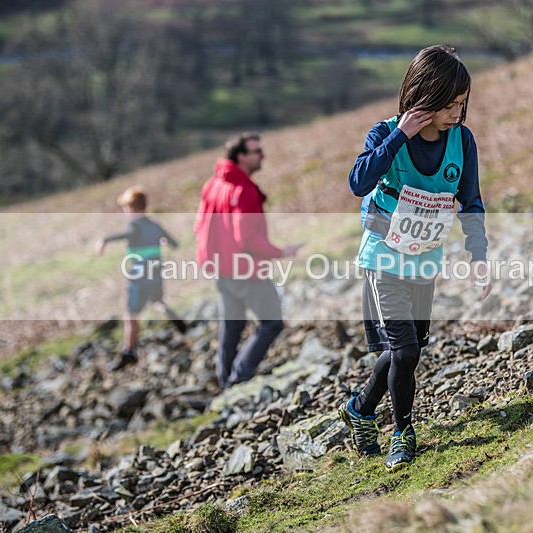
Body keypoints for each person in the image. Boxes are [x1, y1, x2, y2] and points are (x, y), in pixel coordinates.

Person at [337, 45, 492, 471]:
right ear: (422, 96)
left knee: (411, 346)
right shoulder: (384, 133)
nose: (457, 113)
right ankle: (403, 432)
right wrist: (399, 136)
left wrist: (478, 255)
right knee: (405, 350)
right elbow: (358, 182)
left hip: (425, 259)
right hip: (383, 257)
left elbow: (471, 200)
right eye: (449, 104)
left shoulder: (463, 141)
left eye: (462, 103)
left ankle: (360, 407)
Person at [194, 133, 301, 389]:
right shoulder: (244, 191)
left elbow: (199, 225)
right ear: (241, 157)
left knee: (232, 325)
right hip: (245, 269)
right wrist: (280, 252)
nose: (262, 155)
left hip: (219, 267)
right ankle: (239, 379)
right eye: (257, 151)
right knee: (272, 322)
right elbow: (246, 239)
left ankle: (225, 382)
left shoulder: (213, 184)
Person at [95, 185, 187, 371]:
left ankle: (129, 351)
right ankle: (176, 320)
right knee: (157, 301)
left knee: (130, 314)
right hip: (155, 271)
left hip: (139, 276)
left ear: (132, 208)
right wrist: (160, 241)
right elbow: (175, 244)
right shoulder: (155, 225)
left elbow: (127, 234)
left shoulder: (134, 225)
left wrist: (104, 240)